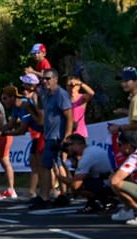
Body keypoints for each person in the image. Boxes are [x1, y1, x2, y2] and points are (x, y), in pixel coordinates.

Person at [35, 69, 72, 205]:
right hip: (49, 134)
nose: (45, 81)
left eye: (48, 78)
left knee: (56, 165)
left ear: (55, 79)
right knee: (49, 165)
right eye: (43, 79)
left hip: (58, 135)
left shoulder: (61, 94)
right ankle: (48, 195)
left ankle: (59, 194)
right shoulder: (45, 94)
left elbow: (69, 116)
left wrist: (67, 136)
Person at [60, 133, 120, 213]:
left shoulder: (87, 157)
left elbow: (75, 185)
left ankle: (108, 201)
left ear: (77, 144)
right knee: (87, 178)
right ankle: (92, 203)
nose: (66, 149)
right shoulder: (92, 148)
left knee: (80, 185)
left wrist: (60, 177)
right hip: (116, 176)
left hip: (112, 181)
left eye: (68, 145)